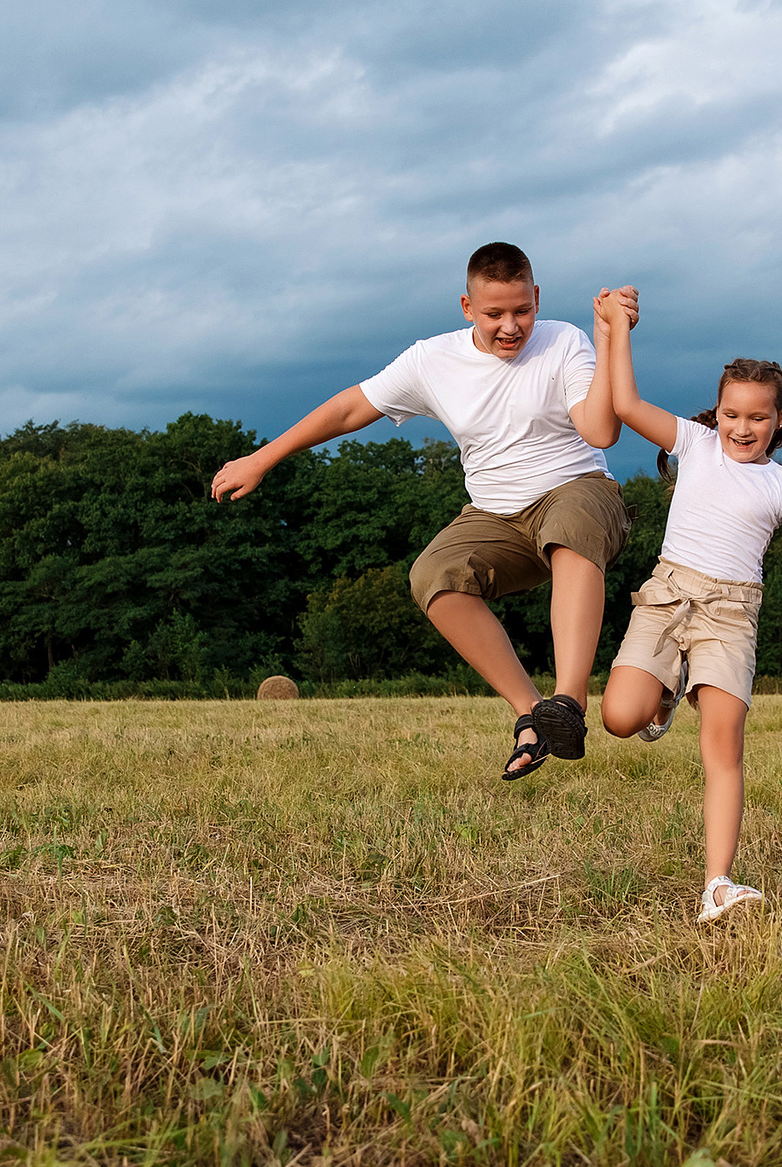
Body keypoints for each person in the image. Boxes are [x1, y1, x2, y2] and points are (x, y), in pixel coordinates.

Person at [209, 243, 635, 779]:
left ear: (538, 299)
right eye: (494, 314)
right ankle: (532, 718)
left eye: (522, 310)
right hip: (495, 516)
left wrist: (608, 336)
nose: (511, 326)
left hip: (577, 491)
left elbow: (600, 432)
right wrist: (261, 458)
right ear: (466, 307)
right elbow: (348, 409)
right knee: (434, 575)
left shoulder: (564, 342)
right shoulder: (431, 360)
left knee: (569, 521)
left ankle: (568, 703)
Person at [591, 299, 782, 922]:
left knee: (723, 749)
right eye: (731, 414)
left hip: (731, 613)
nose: (741, 428)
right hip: (667, 595)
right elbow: (627, 404)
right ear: (715, 412)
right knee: (618, 717)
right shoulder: (694, 443)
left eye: (757, 417)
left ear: (781, 418)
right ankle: (663, 696)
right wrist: (616, 332)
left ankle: (717, 884)